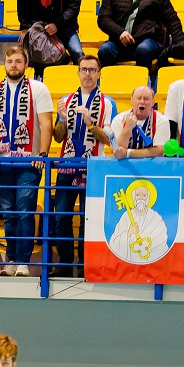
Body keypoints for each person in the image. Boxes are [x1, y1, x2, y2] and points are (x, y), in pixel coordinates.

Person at [0, 45, 53, 275]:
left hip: (29, 163)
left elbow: (46, 123)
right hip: (1, 163)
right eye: (10, 61)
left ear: (26, 65)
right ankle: (11, 260)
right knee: (9, 213)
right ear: (4, 63)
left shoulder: (38, 88)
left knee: (24, 211)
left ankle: (23, 261)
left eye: (18, 61)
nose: (13, 65)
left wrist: (43, 154)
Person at [49, 54, 113, 273]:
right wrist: (61, 119)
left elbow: (109, 140)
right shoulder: (66, 100)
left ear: (99, 74)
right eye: (84, 69)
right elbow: (58, 137)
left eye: (92, 70)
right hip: (67, 166)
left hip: (93, 168)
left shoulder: (107, 103)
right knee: (61, 217)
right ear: (77, 73)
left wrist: (91, 124)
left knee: (89, 219)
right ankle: (65, 264)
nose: (87, 74)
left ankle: (86, 265)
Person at [97, 0, 184, 67]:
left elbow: (172, 20)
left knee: (143, 49)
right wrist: (120, 32)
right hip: (119, 42)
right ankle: (112, 77)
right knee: (104, 50)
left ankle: (143, 77)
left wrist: (180, 43)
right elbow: (103, 19)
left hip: (149, 41)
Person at [109, 84, 170, 158]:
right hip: (125, 164)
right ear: (131, 100)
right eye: (138, 98)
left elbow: (159, 150)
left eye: (146, 99)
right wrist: (127, 128)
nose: (142, 102)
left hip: (152, 164)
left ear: (153, 102)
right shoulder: (119, 119)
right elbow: (116, 150)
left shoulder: (162, 121)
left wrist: (128, 153)